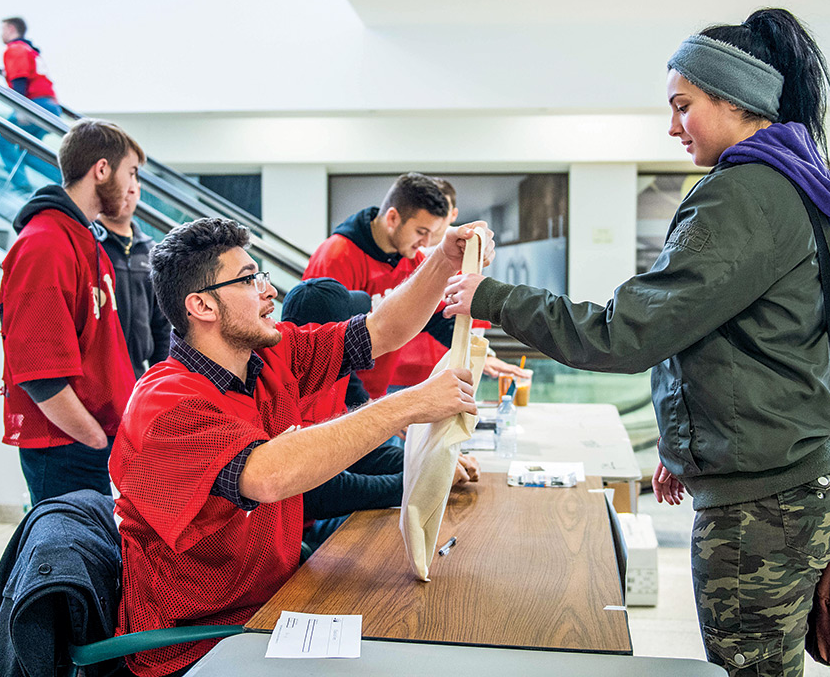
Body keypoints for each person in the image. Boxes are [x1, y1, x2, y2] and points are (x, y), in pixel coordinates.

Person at [444, 8, 830, 677]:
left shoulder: (744, 194)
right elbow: (733, 340)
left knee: (749, 668)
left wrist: (492, 297)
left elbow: (628, 333)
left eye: (683, 105)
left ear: (736, 99)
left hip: (761, 504)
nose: (672, 126)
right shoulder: (801, 186)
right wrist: (688, 444)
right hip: (790, 482)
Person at [109, 216, 492, 677]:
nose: (270, 292)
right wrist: (405, 406)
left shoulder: (267, 357)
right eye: (251, 280)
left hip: (273, 604)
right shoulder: (166, 404)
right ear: (202, 306)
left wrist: (441, 261)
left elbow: (384, 330)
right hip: (200, 641)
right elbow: (267, 476)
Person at [0, 118, 142, 505]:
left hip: (98, 442)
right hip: (69, 449)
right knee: (68, 561)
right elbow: (39, 372)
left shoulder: (87, 240)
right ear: (101, 170)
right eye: (130, 173)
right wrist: (94, 439)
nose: (133, 188)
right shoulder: (46, 244)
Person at [281, 277, 479, 554]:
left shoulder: (337, 374)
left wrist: (430, 462)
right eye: (352, 322)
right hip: (294, 537)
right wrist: (415, 483)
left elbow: (359, 451)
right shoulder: (289, 393)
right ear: (327, 333)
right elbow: (318, 493)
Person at [306, 173, 525, 399]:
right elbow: (323, 351)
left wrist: (482, 354)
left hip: (376, 396)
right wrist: (363, 404)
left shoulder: (411, 257)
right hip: (336, 403)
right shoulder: (336, 257)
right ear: (392, 218)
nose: (426, 243)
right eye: (421, 232)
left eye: (431, 234)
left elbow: (435, 318)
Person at [95, 192, 171, 379]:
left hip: (136, 375)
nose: (124, 195)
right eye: (120, 188)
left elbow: (161, 327)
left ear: (138, 192)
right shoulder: (89, 244)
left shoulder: (150, 252)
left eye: (130, 190)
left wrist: (161, 379)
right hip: (94, 376)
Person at [0, 17, 62, 191]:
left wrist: (21, 110)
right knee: (29, 151)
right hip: (51, 106)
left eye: (3, 29)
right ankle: (64, 183)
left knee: (4, 140)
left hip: (35, 106)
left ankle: (21, 185)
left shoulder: (15, 49)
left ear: (10, 29)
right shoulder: (30, 50)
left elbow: (20, 82)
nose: (1, 34)